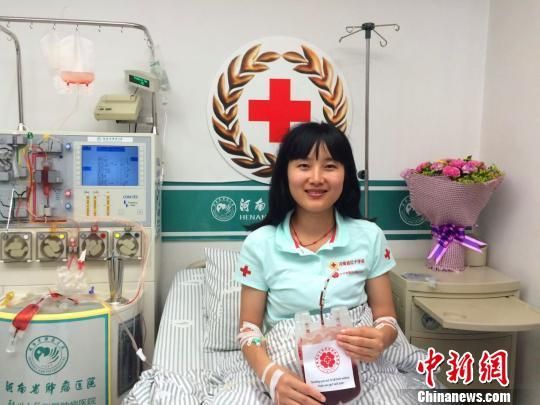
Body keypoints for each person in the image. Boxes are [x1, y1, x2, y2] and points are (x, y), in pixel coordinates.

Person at [234, 122, 398, 405]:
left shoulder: (370, 236)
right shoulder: (260, 244)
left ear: (346, 174)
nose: (317, 178)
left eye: (330, 166)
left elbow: (387, 318)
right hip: (284, 372)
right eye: (304, 166)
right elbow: (249, 329)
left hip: (361, 369)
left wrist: (381, 338)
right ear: (285, 173)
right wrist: (272, 376)